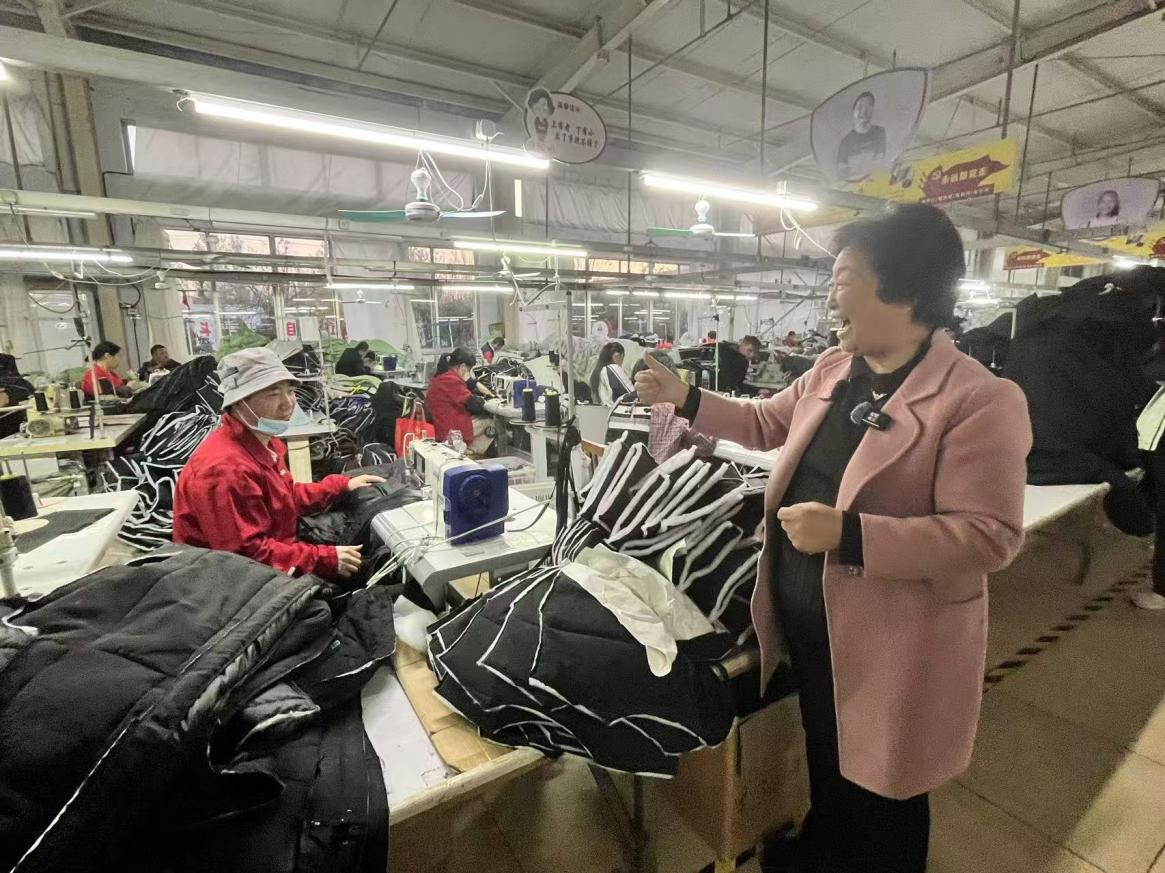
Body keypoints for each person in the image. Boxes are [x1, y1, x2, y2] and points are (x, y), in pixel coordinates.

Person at [634, 204, 1031, 873]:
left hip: (894, 642)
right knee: (828, 748)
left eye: (844, 279)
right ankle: (823, 849)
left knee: (885, 785)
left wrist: (851, 535)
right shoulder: (832, 370)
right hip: (814, 623)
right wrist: (688, 397)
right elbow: (763, 422)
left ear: (903, 292)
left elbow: (989, 537)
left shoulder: (978, 399)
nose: (829, 297)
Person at [173, 348, 384, 579]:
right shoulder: (225, 469)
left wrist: (340, 486)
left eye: (290, 391)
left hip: (273, 552)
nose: (288, 404)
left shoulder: (262, 441)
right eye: (273, 394)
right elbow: (244, 556)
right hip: (227, 581)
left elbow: (283, 498)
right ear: (240, 403)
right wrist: (324, 559)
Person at [426, 347, 497, 455]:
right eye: (469, 369)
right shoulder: (451, 380)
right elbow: (473, 404)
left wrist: (485, 392)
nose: (469, 373)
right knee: (490, 422)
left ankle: (468, 450)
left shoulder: (443, 375)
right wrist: (488, 399)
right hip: (450, 431)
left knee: (481, 418)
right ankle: (468, 452)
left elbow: (467, 389)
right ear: (463, 366)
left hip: (442, 425)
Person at [836, 90, 887, 182]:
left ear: (872, 110)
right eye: (859, 107)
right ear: (853, 111)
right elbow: (842, 172)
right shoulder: (845, 142)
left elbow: (880, 161)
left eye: (868, 107)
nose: (863, 111)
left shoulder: (880, 132)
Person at [589, 341, 632, 406]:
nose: (622, 362)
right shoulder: (612, 368)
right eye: (622, 358)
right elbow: (630, 393)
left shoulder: (596, 373)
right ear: (617, 356)